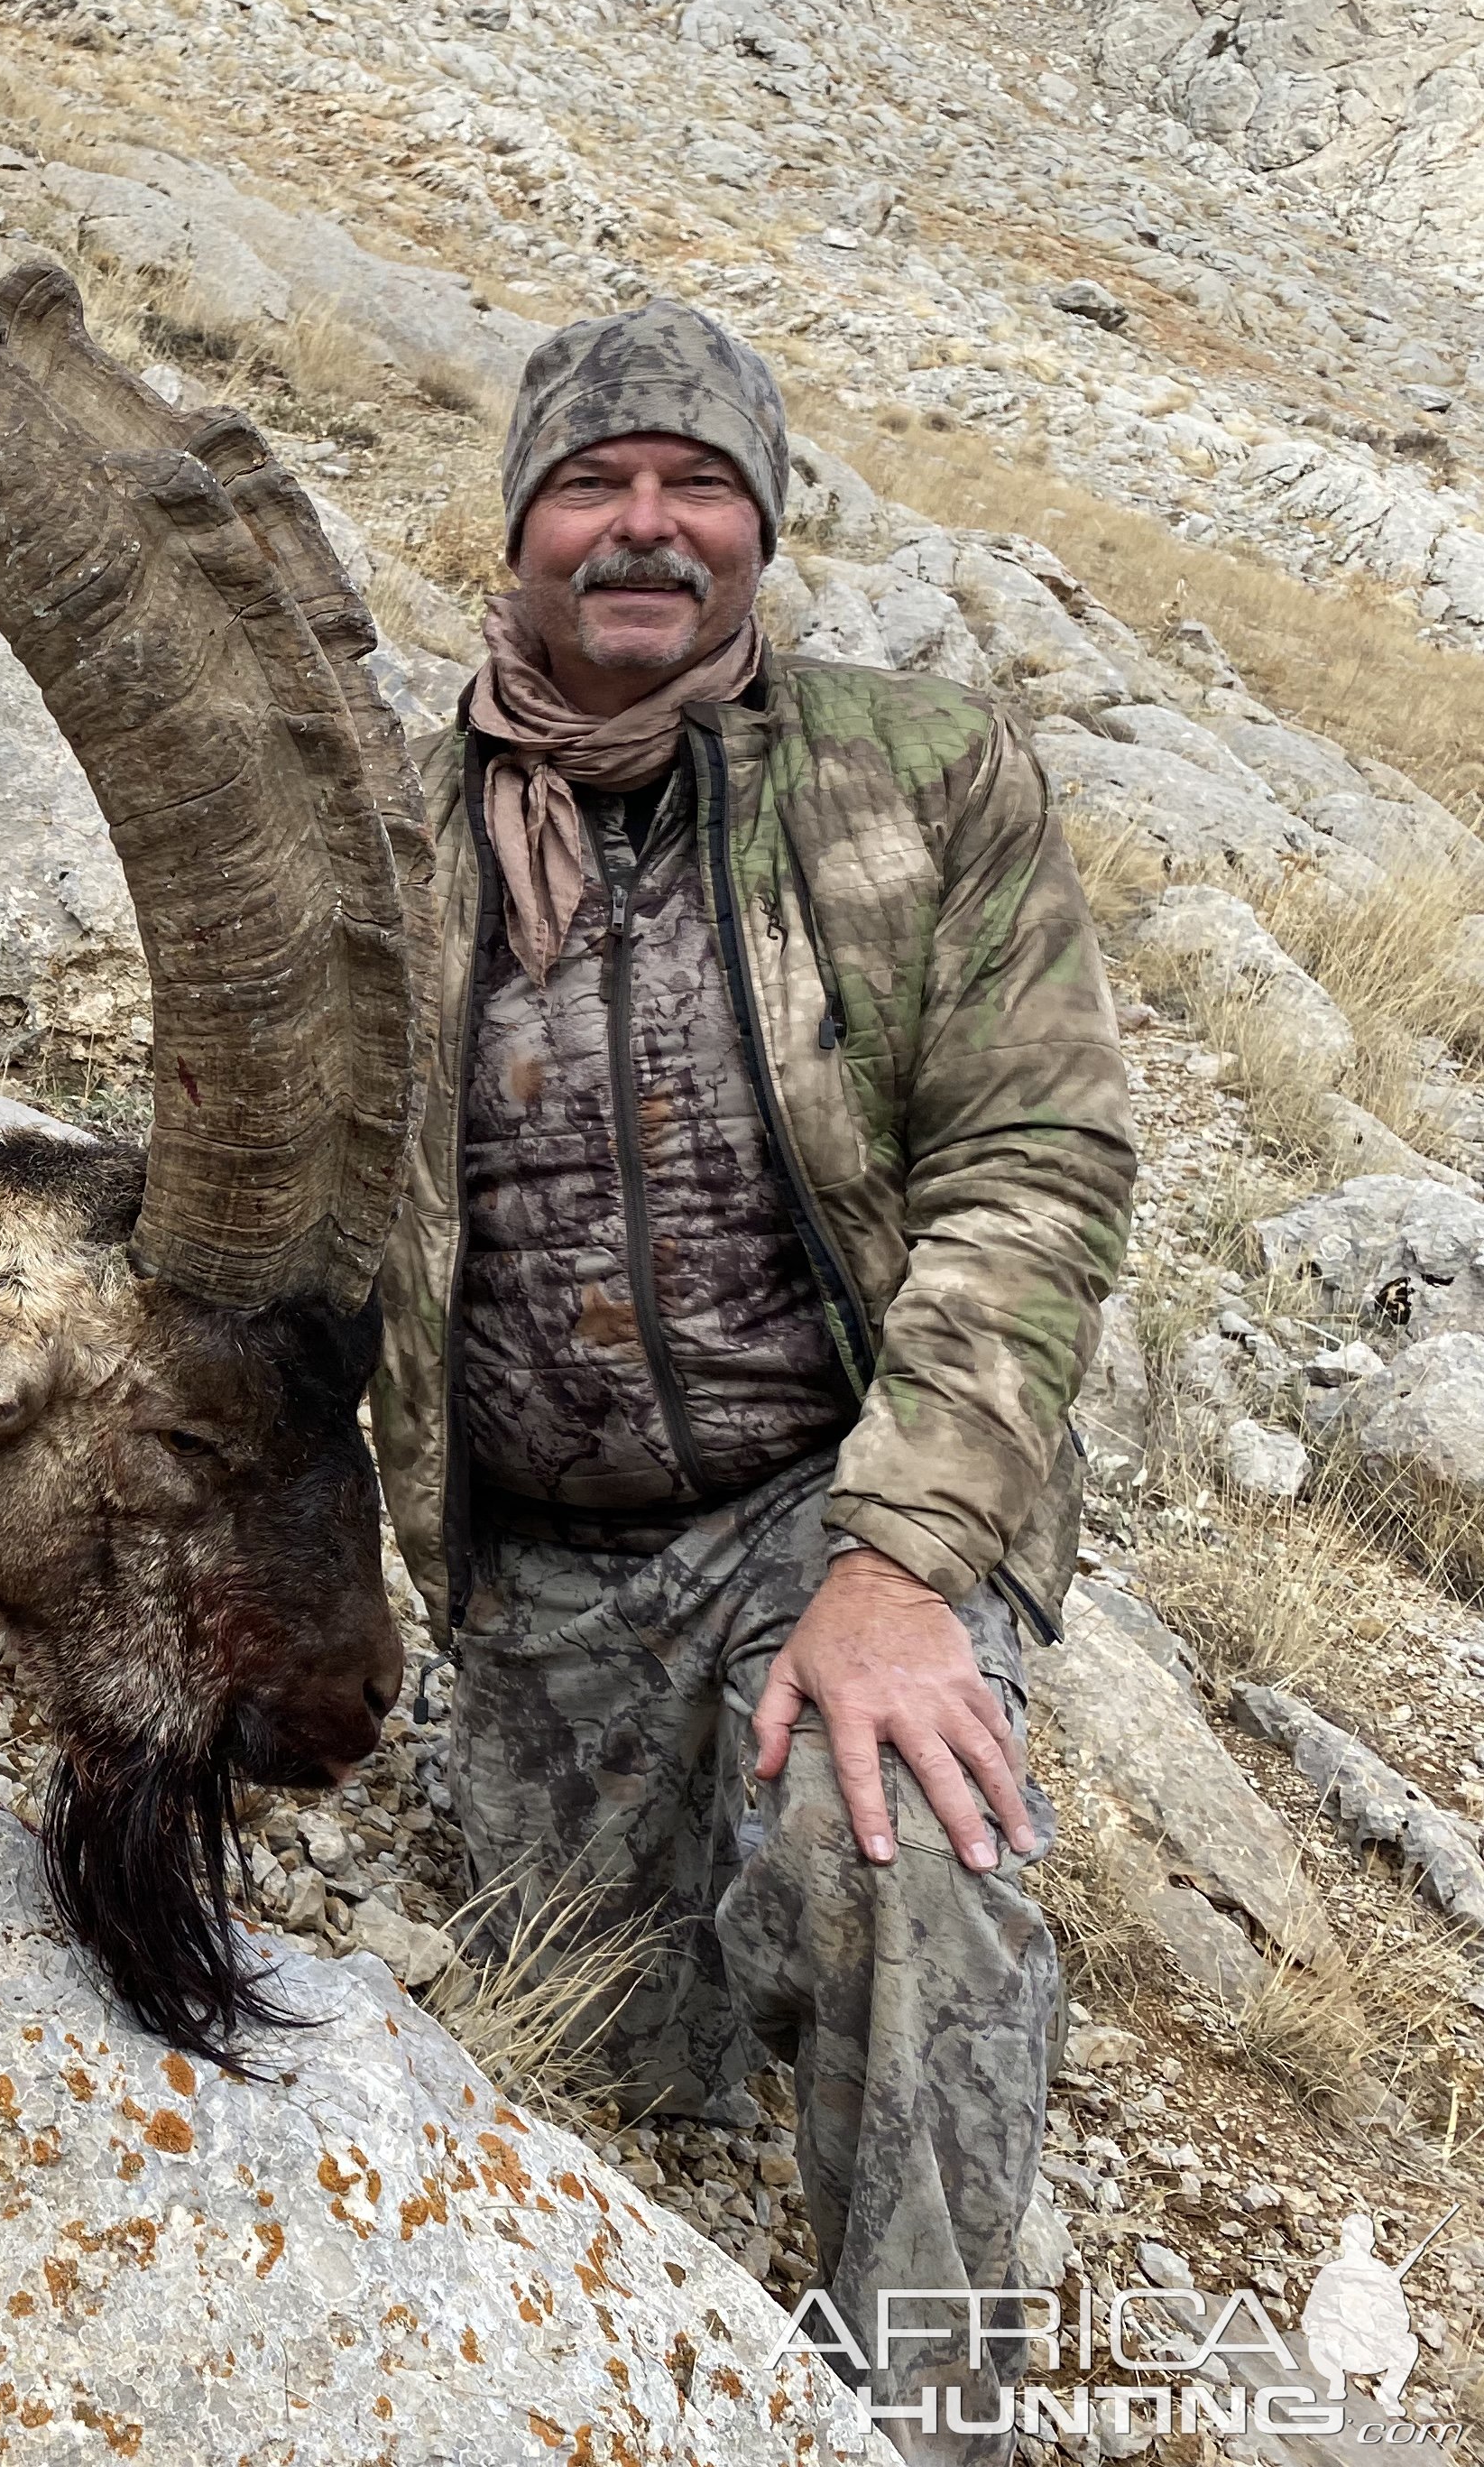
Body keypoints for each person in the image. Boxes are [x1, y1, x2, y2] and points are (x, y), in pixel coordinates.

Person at [368, 301, 1138, 2466]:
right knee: (612, 2050)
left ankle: (933, 2416)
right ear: (520, 526)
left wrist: (902, 1564)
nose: (644, 525)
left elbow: (1042, 1158)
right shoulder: (385, 823)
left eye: (696, 483)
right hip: (543, 1566)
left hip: (836, 1494)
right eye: (591, 483)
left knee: (891, 1843)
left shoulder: (921, 772)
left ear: (763, 529)